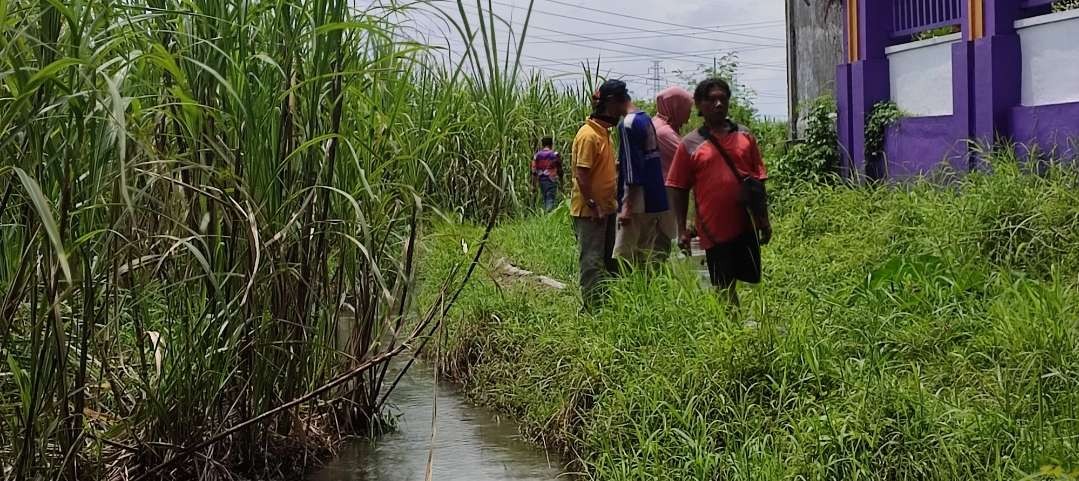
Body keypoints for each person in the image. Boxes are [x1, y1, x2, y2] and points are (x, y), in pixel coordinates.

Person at [666, 78, 771, 306]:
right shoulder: (690, 144)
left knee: (747, 276)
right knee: (723, 281)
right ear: (699, 105)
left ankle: (739, 324)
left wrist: (764, 220)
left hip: (745, 222)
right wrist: (682, 228)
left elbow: (758, 181)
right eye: (711, 99)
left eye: (723, 99)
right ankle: (731, 328)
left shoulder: (745, 136)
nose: (718, 104)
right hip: (713, 227)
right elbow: (678, 187)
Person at [571, 79, 631, 309]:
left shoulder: (604, 133)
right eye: (621, 102)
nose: (624, 108)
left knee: (610, 261)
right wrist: (593, 205)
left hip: (606, 209)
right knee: (592, 261)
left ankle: (608, 306)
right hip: (590, 211)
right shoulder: (588, 135)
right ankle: (592, 309)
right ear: (610, 103)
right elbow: (582, 174)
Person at [614, 103, 669, 264]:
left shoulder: (628, 123)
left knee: (625, 255)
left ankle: (630, 288)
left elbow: (632, 167)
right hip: (653, 199)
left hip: (636, 201)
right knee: (645, 252)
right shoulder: (644, 118)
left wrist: (627, 208)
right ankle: (645, 287)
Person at [652, 86, 694, 258]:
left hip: (658, 192)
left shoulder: (659, 125)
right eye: (687, 108)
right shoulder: (664, 132)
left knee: (659, 240)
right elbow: (690, 159)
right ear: (676, 107)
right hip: (664, 192)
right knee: (661, 242)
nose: (690, 113)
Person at [531, 137, 563, 212]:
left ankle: (546, 215)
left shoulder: (537, 156)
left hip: (541, 180)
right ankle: (548, 216)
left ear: (542, 144)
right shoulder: (554, 155)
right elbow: (560, 170)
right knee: (550, 199)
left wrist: (533, 184)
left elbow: (534, 171)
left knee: (545, 198)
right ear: (551, 144)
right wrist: (561, 183)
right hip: (551, 180)